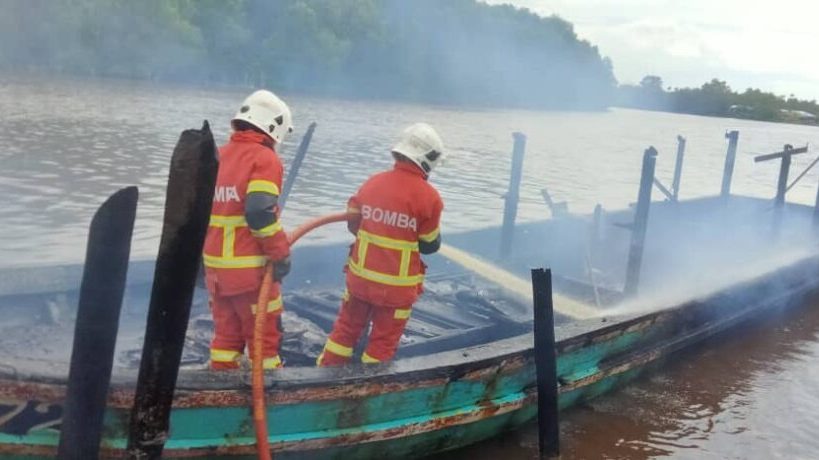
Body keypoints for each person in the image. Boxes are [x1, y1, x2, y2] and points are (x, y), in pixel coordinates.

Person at [317, 123, 445, 366]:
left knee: (345, 331)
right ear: (428, 159)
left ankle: (324, 375)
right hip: (396, 291)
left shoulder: (372, 183)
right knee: (382, 342)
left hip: (361, 281)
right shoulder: (430, 197)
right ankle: (368, 390)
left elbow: (353, 223)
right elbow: (429, 244)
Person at [203, 90, 293, 370]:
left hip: (216, 273)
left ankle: (220, 394)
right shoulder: (264, 159)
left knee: (225, 339)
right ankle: (266, 398)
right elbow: (259, 213)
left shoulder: (217, 156)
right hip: (249, 274)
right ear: (274, 127)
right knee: (264, 342)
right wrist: (281, 253)